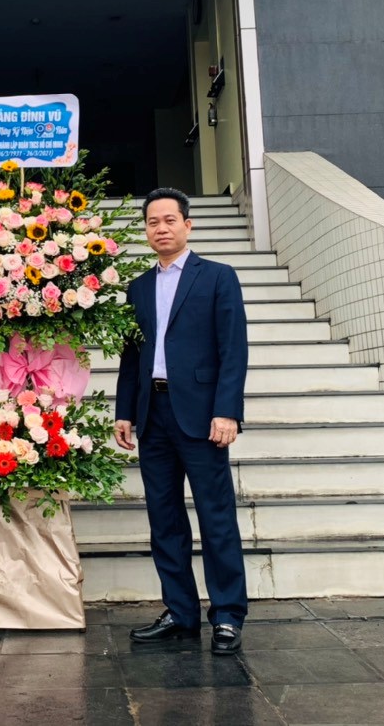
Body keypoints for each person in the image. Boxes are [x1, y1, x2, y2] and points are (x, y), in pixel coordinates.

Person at [115, 187, 249, 655]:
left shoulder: (217, 277)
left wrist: (227, 410)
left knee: (216, 517)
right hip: (153, 415)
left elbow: (233, 350)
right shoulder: (137, 288)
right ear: (146, 230)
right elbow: (131, 357)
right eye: (153, 222)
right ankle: (180, 612)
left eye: (170, 220)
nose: (161, 229)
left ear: (187, 225)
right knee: (164, 519)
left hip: (202, 416)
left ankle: (227, 614)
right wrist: (124, 411)